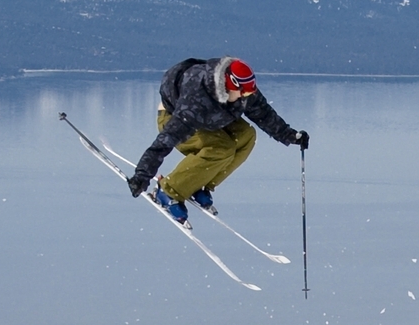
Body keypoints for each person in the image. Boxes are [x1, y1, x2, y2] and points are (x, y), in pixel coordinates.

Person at [127, 56, 307, 223]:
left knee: (246, 136)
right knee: (221, 148)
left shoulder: (242, 90)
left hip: (213, 118)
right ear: (229, 84)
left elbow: (262, 112)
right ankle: (167, 191)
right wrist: (142, 175)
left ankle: (197, 182)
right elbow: (166, 139)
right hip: (174, 117)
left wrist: (290, 135)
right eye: (242, 93)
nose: (245, 98)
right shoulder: (197, 97)